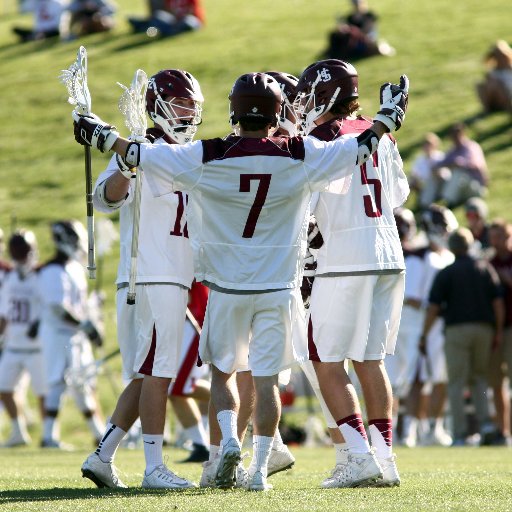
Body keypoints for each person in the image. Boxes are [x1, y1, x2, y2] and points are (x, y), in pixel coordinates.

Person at [72, 69, 409, 491]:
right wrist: (385, 121)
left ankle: (224, 446)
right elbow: (356, 150)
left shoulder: (207, 154)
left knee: (219, 374)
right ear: (276, 114)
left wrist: (104, 135)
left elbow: (139, 157)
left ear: (233, 111)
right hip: (277, 287)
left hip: (226, 287)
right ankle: (261, 468)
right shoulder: (299, 153)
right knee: (265, 380)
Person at [81, 69, 204, 490]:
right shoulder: (142, 150)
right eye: (181, 103)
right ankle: (154, 466)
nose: (188, 112)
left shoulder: (185, 154)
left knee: (144, 373)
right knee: (159, 373)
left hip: (167, 277)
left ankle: (103, 456)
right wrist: (130, 167)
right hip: (152, 274)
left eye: (192, 104)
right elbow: (105, 198)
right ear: (160, 106)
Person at [292, 59, 408, 488]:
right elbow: (397, 195)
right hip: (389, 252)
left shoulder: (318, 140)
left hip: (346, 256)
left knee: (323, 358)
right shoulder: (381, 135)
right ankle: (384, 458)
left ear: (325, 95)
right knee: (370, 359)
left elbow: (304, 206)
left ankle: (358, 456)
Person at [419, 227, 505, 446]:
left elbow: (434, 307)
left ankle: (460, 433)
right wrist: (497, 331)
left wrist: (424, 334)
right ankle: (485, 424)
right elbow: (497, 303)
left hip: (456, 330)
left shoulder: (446, 273)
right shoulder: (484, 268)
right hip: (484, 329)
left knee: (456, 382)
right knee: (480, 378)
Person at [37, 220, 105, 449]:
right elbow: (58, 308)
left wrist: (93, 321)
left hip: (75, 335)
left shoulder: (75, 267)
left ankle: (99, 433)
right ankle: (49, 436)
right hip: (57, 334)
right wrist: (85, 325)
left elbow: (81, 305)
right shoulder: (51, 271)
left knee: (82, 383)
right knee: (57, 382)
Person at [0, 230, 46, 448]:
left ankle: (49, 434)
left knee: (43, 393)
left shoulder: (41, 275)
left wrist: (39, 326)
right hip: (14, 345)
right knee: (4, 388)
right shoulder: (8, 278)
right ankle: (19, 432)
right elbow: (5, 313)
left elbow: (49, 308)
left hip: (37, 347)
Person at [169, 280, 211, 463]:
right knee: (177, 388)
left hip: (194, 324)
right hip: (187, 324)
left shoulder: (188, 252)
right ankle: (200, 445)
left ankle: (237, 402)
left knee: (176, 389)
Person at [487, 219, 512, 445]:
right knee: (496, 383)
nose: (496, 241)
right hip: (496, 330)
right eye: (493, 237)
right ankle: (502, 431)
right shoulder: (489, 262)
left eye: (500, 236)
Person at [433, 123, 488, 209]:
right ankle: (433, 200)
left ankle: (447, 202)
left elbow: (476, 166)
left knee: (458, 172)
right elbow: (441, 164)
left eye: (456, 136)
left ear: (462, 134)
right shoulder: (453, 150)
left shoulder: (472, 147)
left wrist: (459, 164)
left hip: (477, 186)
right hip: (463, 186)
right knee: (442, 173)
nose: (454, 139)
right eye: (453, 137)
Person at [409, 132, 450, 211]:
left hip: (440, 185)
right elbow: (414, 176)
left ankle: (426, 203)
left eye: (429, 144)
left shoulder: (440, 157)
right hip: (423, 188)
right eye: (425, 145)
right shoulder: (419, 160)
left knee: (432, 178)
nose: (427, 147)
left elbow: (446, 175)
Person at [128, 0, 204, 37]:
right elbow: (169, 11)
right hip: (175, 22)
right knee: (158, 15)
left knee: (188, 21)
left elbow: (193, 11)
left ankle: (169, 31)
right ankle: (171, 30)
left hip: (190, 20)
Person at [476, 40, 512, 115]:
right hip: (499, 98)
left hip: (509, 97)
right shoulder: (492, 73)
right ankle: (487, 109)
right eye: (497, 56)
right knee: (479, 85)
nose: (501, 58)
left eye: (502, 55)